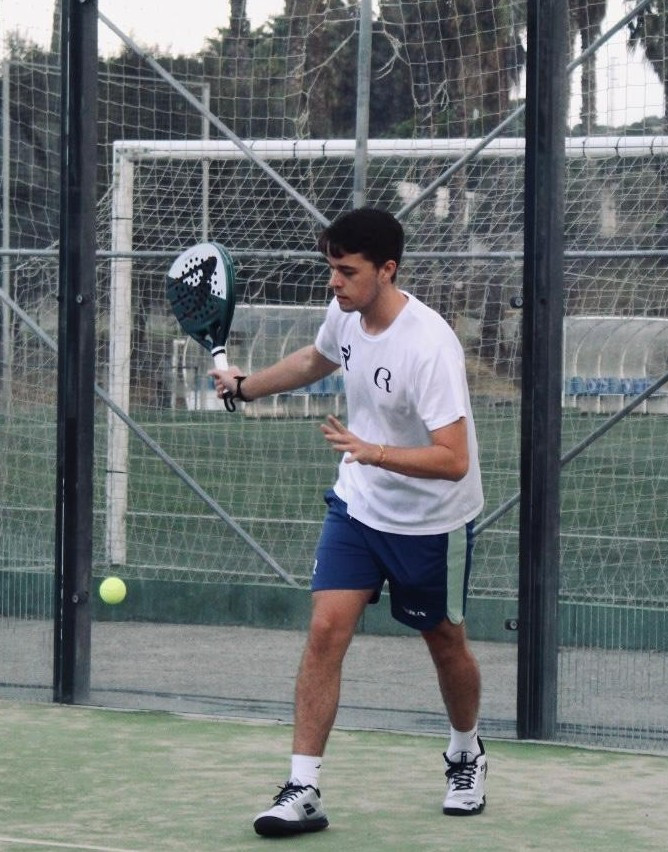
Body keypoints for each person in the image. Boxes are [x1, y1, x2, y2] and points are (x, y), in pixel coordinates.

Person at [210, 207, 487, 837]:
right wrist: (245, 387)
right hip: (358, 506)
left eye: (347, 270)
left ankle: (465, 753)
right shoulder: (345, 312)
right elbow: (316, 358)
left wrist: (375, 451)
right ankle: (303, 788)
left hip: (431, 522)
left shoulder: (429, 347)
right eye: (331, 268)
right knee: (325, 629)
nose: (334, 281)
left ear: (387, 270)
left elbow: (454, 460)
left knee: (445, 643)